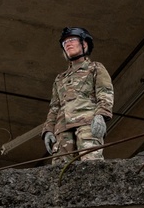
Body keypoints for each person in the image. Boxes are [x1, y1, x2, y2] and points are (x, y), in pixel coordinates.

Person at [42, 27, 114, 162]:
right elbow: (54, 107)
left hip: (87, 125)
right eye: (65, 43)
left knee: (90, 164)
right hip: (62, 131)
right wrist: (48, 130)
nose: (68, 44)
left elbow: (105, 93)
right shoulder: (60, 78)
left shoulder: (95, 68)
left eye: (72, 40)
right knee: (60, 171)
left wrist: (101, 115)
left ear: (84, 43)